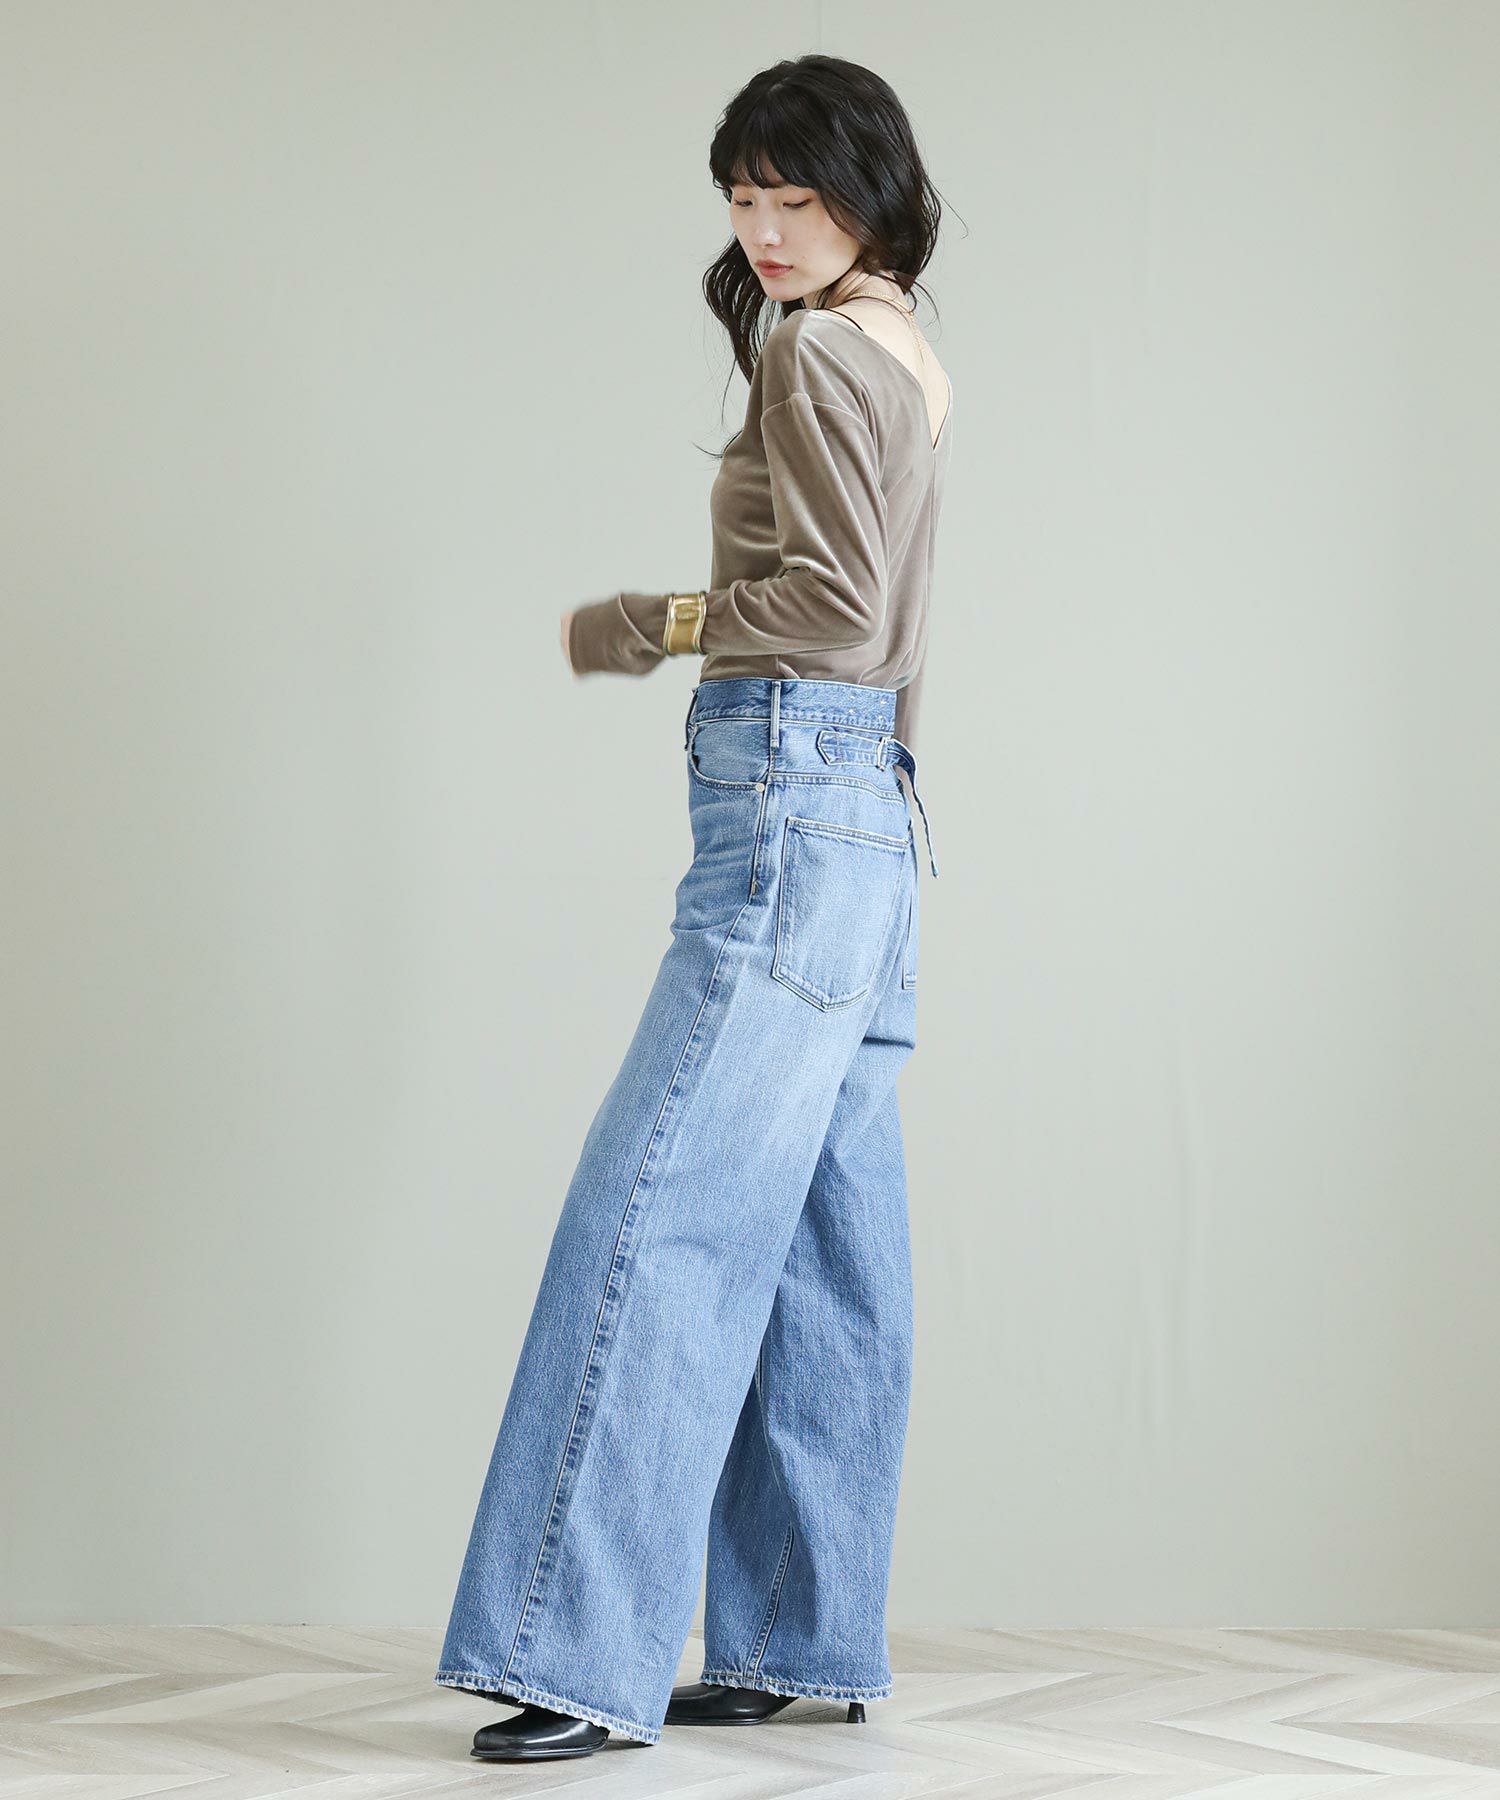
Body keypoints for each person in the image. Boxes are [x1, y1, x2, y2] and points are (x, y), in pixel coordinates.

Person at [434, 52, 954, 1762]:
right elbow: (898, 634)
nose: (766, 229)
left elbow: (839, 606)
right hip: (871, 821)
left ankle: (569, 1650)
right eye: (743, 196)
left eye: (797, 196)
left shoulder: (816, 349)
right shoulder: (902, 348)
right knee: (822, 1253)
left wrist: (644, 624)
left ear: (868, 193)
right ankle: (798, 1634)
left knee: (655, 1218)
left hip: (793, 806)